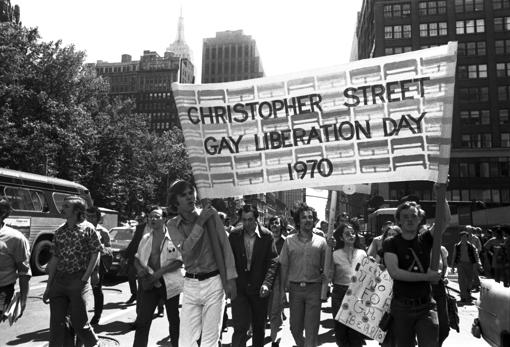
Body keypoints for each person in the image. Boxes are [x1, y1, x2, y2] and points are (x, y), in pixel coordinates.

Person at [166, 180, 237, 347]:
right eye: (184, 195)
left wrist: (231, 278)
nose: (190, 197)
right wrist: (200, 222)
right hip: (190, 284)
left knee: (209, 341)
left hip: (214, 282)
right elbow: (186, 249)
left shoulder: (211, 215)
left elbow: (224, 246)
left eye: (191, 192)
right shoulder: (172, 224)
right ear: (176, 201)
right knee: (185, 341)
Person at [382, 183, 449, 347]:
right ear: (399, 220)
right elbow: (395, 272)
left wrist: (441, 194)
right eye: (405, 216)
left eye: (413, 216)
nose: (409, 219)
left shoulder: (426, 238)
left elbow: (445, 220)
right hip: (401, 308)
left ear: (420, 219)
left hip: (426, 307)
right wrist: (427, 276)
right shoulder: (391, 243)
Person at [43, 195, 101, 347]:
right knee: (57, 325)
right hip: (59, 281)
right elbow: (55, 258)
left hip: (78, 280)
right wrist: (49, 286)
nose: (62, 208)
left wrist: (85, 278)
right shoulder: (59, 231)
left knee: (80, 324)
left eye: (67, 206)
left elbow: (96, 253)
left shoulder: (88, 229)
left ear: (77, 211)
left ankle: (94, 344)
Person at [228, 204, 278, 347]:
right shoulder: (234, 235)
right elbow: (229, 260)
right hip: (240, 289)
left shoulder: (267, 236)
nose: (247, 223)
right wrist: (230, 283)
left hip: (259, 290)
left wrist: (267, 284)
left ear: (257, 219)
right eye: (244, 220)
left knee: (258, 328)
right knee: (239, 328)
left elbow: (273, 262)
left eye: (250, 219)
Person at [133, 206, 183, 347]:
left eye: (156, 216)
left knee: (174, 321)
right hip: (149, 284)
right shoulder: (145, 238)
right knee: (142, 321)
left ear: (164, 219)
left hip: (170, 284)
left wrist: (159, 273)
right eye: (150, 216)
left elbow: (179, 261)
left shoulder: (174, 237)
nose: (152, 219)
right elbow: (136, 258)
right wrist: (140, 270)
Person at [280, 202, 327, 347]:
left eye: (310, 217)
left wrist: (325, 285)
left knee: (312, 331)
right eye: (304, 218)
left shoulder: (322, 242)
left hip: (314, 289)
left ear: (314, 221)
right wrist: (283, 291)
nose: (307, 220)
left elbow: (326, 268)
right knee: (295, 328)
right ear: (298, 222)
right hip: (295, 291)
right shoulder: (288, 241)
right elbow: (284, 267)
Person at [327, 222, 366, 347]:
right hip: (339, 293)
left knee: (356, 333)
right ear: (341, 238)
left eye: (353, 233)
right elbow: (330, 276)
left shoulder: (362, 253)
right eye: (347, 234)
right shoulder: (334, 254)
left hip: (357, 294)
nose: (351, 235)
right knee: (341, 331)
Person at [0, 199, 31, 319]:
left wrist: (23, 301)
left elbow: (24, 271)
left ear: (2, 214)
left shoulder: (15, 238)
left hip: (3, 290)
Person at [85, 206, 112, 325]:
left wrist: (100, 249)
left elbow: (109, 250)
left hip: (97, 263)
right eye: (88, 216)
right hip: (82, 262)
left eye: (93, 217)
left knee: (97, 289)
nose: (90, 219)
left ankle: (97, 315)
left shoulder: (103, 232)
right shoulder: (82, 229)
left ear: (98, 218)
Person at [267, 215, 287, 347]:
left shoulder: (286, 242)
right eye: (272, 223)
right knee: (265, 311)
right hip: (263, 280)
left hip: (279, 280)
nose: (274, 225)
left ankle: (274, 340)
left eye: (277, 223)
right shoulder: (264, 239)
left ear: (281, 226)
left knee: (274, 311)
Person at [451, 230, 482, 304]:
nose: (463, 238)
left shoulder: (471, 246)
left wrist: (478, 265)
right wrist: (452, 266)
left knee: (470, 280)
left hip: (470, 264)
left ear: (467, 238)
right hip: (460, 264)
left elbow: (476, 256)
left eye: (465, 237)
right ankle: (463, 297)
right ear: (460, 237)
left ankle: (468, 293)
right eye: (462, 237)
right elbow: (454, 255)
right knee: (461, 281)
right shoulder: (457, 246)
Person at [124, 214, 147, 305]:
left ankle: (159, 307)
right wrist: (125, 256)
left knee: (147, 279)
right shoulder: (140, 228)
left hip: (149, 258)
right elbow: (134, 242)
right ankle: (134, 294)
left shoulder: (160, 227)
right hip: (136, 256)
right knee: (131, 275)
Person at [431, 245, 450, 347]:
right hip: (424, 286)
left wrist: (445, 276)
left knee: (444, 324)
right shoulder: (419, 247)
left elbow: (446, 266)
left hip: (439, 286)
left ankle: (439, 343)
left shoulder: (441, 249)